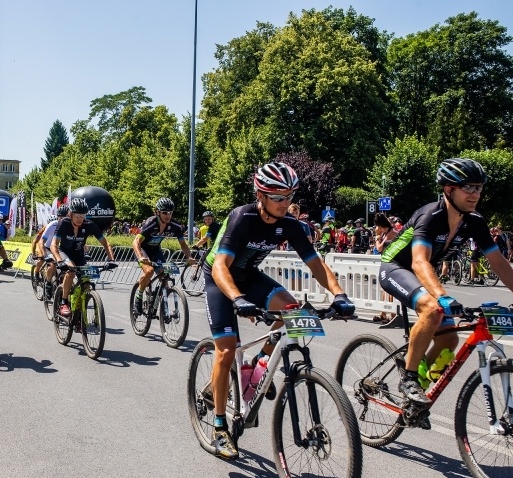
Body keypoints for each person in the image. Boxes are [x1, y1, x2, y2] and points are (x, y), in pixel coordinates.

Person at [204, 162, 354, 459]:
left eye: (289, 196)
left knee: (292, 310)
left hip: (249, 275)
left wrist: (339, 294)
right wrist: (237, 299)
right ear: (260, 195)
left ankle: (261, 363)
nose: (285, 203)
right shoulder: (242, 217)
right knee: (226, 349)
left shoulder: (291, 225)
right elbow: (221, 266)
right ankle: (219, 426)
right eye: (277, 197)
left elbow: (315, 264)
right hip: (221, 280)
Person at [379, 158, 513, 406]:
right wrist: (442, 295)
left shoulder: (474, 222)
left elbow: (498, 262)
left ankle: (417, 393)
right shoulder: (431, 216)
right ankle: (408, 378)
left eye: (479, 188)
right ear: (449, 189)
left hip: (422, 273)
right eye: (468, 188)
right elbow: (419, 262)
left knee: (448, 339)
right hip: (396, 268)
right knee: (432, 308)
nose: (476, 194)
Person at [50, 198, 116, 318]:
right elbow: (53, 245)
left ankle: (80, 314)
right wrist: (59, 260)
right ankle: (64, 302)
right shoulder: (64, 223)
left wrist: (111, 260)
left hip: (79, 255)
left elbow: (106, 243)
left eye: (83, 215)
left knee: (86, 282)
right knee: (71, 271)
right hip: (64, 253)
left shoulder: (89, 225)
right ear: (71, 214)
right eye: (77, 215)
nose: (80, 218)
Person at [131, 198, 196, 315]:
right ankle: (138, 298)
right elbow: (136, 242)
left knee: (164, 276)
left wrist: (189, 257)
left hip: (156, 251)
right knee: (149, 271)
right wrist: (140, 257)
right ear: (157, 212)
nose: (168, 216)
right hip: (143, 250)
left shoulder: (175, 226)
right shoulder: (151, 223)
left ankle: (160, 302)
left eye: (170, 213)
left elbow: (183, 245)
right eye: (165, 213)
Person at [372, 212, 399, 323]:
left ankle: (392, 314)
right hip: (388, 261)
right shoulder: (387, 232)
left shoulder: (391, 233)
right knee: (385, 288)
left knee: (391, 288)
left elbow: (379, 248)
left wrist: (377, 238)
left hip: (394, 262)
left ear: (381, 226)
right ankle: (383, 313)